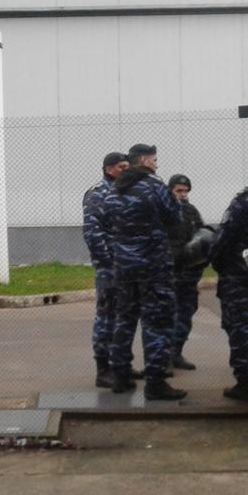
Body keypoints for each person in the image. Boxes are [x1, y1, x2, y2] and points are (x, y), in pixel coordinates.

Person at [104, 144, 186, 401]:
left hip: (124, 267)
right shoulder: (154, 186)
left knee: (124, 319)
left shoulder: (114, 190)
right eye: (155, 160)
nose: (157, 164)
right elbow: (175, 217)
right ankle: (155, 382)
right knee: (157, 322)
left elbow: (107, 223)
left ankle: (120, 376)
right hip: (153, 267)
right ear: (145, 161)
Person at [210, 159, 248, 402]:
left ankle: (244, 383)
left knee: (239, 324)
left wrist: (218, 262)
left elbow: (225, 236)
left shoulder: (247, 199)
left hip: (238, 272)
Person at [82, 152, 130, 388]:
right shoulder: (98, 194)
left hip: (129, 265)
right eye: (122, 167)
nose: (126, 170)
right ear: (110, 169)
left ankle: (122, 365)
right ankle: (103, 368)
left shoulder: (126, 191)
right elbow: (93, 233)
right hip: (110, 268)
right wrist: (108, 262)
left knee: (125, 318)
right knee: (107, 317)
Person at [166, 174, 205, 371]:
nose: (183, 194)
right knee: (166, 316)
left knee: (185, 314)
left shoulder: (191, 212)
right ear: (170, 191)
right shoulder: (164, 212)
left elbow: (201, 237)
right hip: (169, 274)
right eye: (179, 191)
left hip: (189, 275)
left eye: (185, 190)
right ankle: (163, 358)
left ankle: (176, 353)